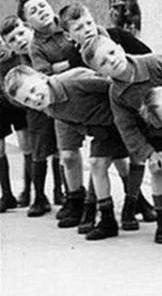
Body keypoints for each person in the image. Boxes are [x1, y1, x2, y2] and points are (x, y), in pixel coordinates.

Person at [81, 35, 162, 244]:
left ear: (119, 47)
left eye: (111, 53)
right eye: (103, 62)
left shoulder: (153, 63)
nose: (111, 61)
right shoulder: (117, 94)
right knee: (158, 166)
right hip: (158, 129)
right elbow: (126, 127)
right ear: (100, 72)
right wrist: (147, 153)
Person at [59, 3, 156, 229]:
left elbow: (146, 57)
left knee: (134, 156)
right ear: (69, 35)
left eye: (88, 23)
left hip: (129, 104)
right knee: (100, 159)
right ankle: (93, 209)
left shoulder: (116, 37)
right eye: (79, 28)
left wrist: (122, 66)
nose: (87, 30)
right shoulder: (75, 56)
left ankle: (134, 204)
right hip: (103, 115)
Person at [4, 65, 129, 240]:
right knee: (96, 163)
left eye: (33, 90)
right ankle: (108, 221)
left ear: (42, 77)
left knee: (152, 161)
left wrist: (128, 117)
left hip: (125, 119)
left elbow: (112, 86)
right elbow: (74, 121)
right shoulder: (48, 106)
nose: (34, 99)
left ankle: (138, 204)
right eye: (27, 100)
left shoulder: (73, 80)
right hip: (103, 129)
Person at [17, 0, 87, 226]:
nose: (41, 12)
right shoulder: (35, 46)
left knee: (112, 153)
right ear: (28, 22)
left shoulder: (68, 22)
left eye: (42, 5)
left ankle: (136, 200)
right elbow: (44, 74)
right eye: (33, 11)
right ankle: (76, 201)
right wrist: (72, 62)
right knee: (67, 155)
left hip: (91, 92)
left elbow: (91, 40)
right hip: (63, 102)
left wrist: (62, 66)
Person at [0, 14, 64, 217]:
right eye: (12, 38)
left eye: (20, 34)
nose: (18, 40)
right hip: (15, 104)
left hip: (33, 102)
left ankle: (53, 191)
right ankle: (25, 194)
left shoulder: (24, 53)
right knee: (33, 149)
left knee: (46, 146)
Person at [0, 38, 31, 213]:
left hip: (18, 105)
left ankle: (27, 191)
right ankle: (6, 195)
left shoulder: (17, 57)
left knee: (26, 146)